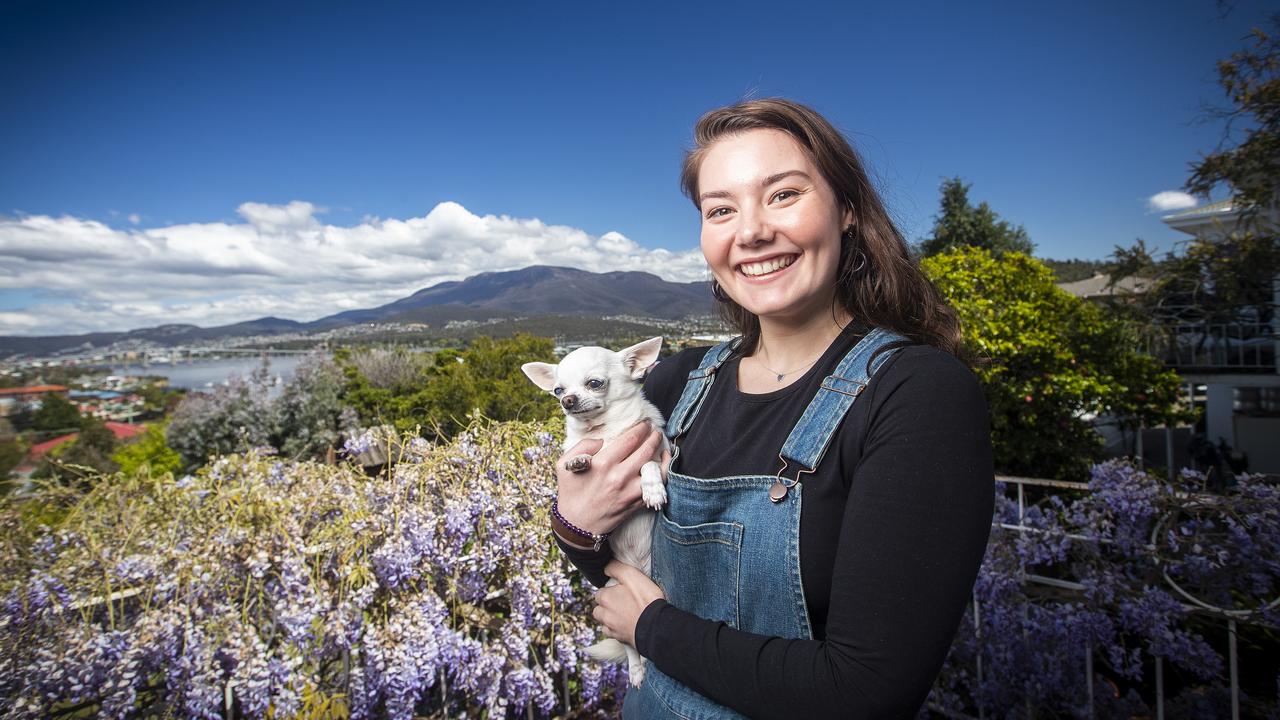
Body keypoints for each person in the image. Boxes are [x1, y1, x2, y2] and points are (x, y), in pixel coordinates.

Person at [550, 98, 994, 718]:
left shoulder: (915, 395)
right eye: (721, 209)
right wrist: (573, 524)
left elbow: (866, 692)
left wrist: (651, 628)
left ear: (848, 211)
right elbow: (611, 555)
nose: (751, 231)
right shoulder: (677, 384)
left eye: (783, 194)